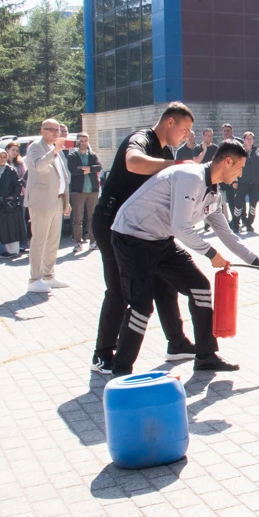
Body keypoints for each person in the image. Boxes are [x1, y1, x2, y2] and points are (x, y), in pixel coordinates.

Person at [109, 140, 259, 377]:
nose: (240, 174)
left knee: (200, 287)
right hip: (132, 238)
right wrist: (212, 255)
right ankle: (120, 373)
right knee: (141, 306)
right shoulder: (191, 177)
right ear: (227, 161)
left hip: (160, 241)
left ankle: (206, 357)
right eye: (240, 167)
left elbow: (227, 235)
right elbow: (181, 227)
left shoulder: (213, 192)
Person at [90, 103, 199, 376]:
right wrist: (176, 165)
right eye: (184, 129)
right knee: (119, 291)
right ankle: (102, 354)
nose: (186, 136)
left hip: (144, 230)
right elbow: (132, 162)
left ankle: (177, 343)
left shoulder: (164, 152)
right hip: (112, 224)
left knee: (164, 283)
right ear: (170, 122)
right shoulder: (140, 139)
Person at [25, 118, 71, 294]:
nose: (55, 133)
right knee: (39, 241)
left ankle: (48, 276)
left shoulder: (55, 149)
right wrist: (54, 152)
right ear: (42, 131)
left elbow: (63, 177)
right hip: (41, 201)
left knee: (53, 240)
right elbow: (38, 166)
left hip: (57, 200)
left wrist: (66, 202)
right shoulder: (36, 147)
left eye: (58, 130)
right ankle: (34, 279)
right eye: (51, 129)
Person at [66, 133, 103, 253]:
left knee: (92, 217)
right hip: (78, 191)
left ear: (88, 141)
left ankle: (93, 242)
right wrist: (86, 170)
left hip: (92, 190)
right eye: (81, 140)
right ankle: (78, 242)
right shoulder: (72, 156)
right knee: (78, 218)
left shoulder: (92, 155)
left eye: (85, 140)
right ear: (77, 142)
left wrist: (88, 169)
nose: (83, 142)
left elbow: (99, 167)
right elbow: (73, 170)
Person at [0, 149, 28, 256]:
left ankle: (12, 250)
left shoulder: (10, 170)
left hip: (9, 205)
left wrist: (13, 197)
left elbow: (17, 184)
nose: (2, 159)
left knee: (11, 227)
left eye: (4, 157)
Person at [226, 132, 259, 233]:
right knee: (238, 204)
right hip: (241, 182)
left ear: (253, 140)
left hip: (254, 183)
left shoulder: (257, 153)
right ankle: (236, 224)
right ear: (244, 139)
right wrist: (234, 180)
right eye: (247, 138)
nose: (249, 140)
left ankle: (249, 224)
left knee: (253, 204)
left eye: (251, 138)